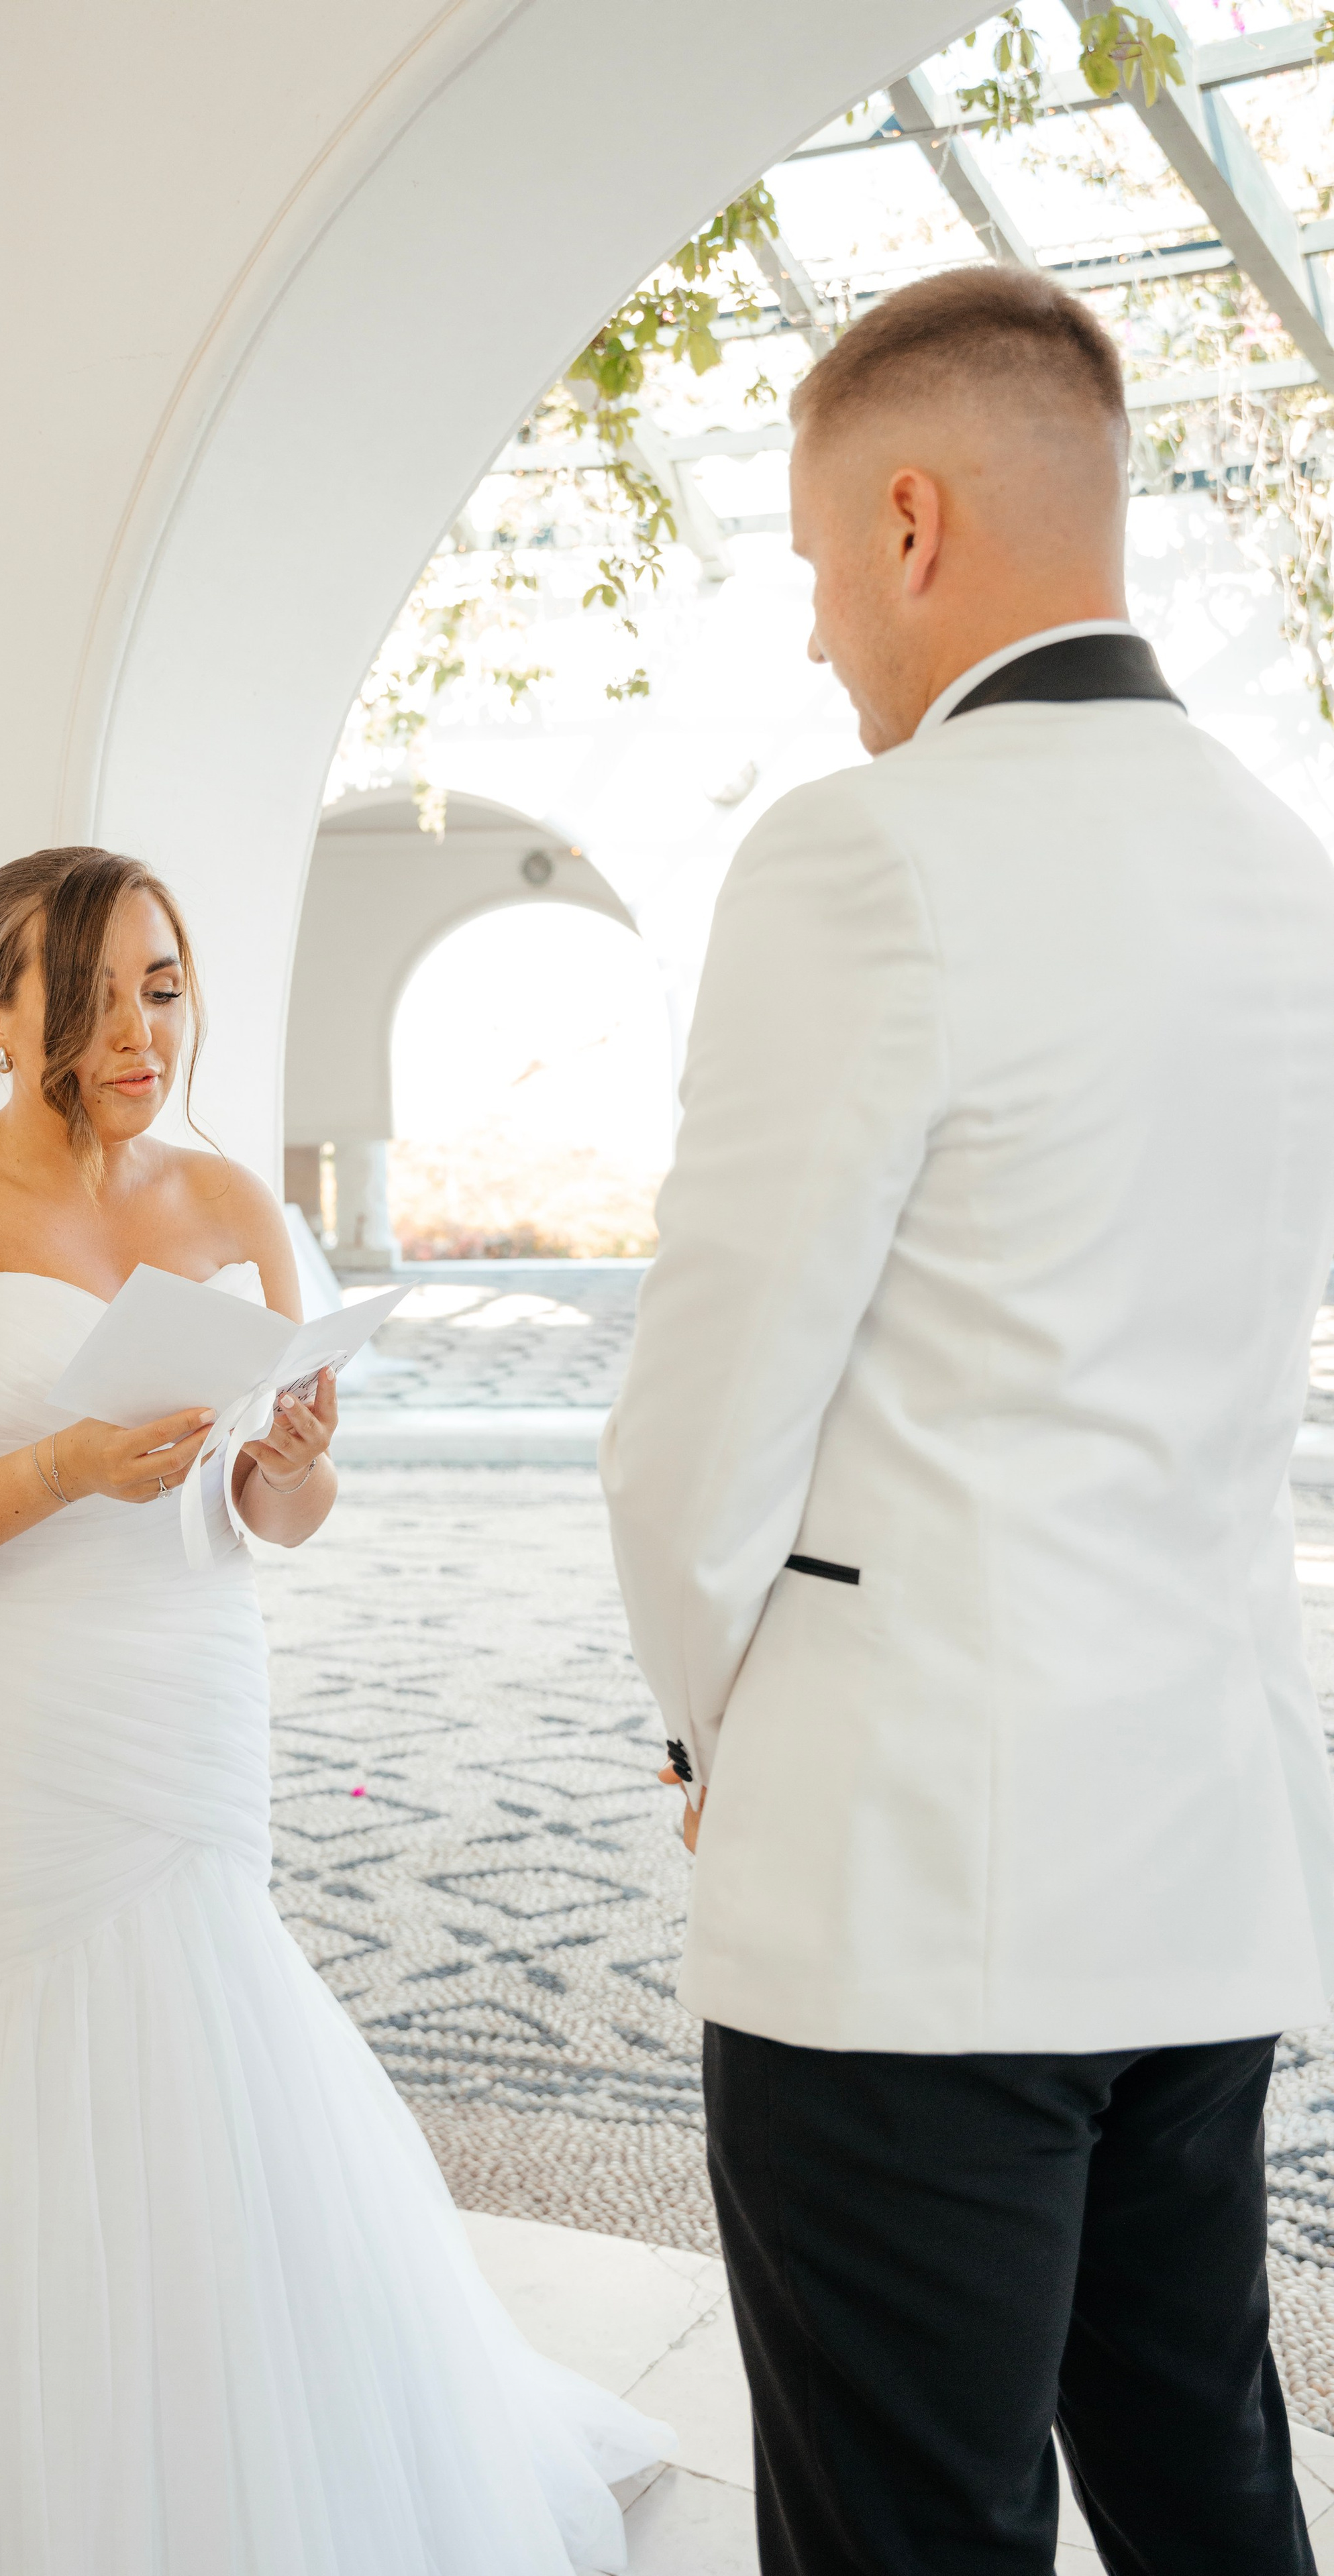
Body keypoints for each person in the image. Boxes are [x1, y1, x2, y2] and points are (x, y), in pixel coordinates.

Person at [0, 845, 670, 2572]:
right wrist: (59, 1466)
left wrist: (293, 1469)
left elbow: (274, 1520)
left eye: (162, 987)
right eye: (90, 994)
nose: (136, 1032)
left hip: (184, 1705)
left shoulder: (235, 1206)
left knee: (204, 2049)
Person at [601, 265, 1334, 2574]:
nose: (824, 640)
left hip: (911, 1883)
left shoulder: (869, 856)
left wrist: (726, 1728)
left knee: (912, 2528)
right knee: (1210, 2485)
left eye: (818, 575)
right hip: (1202, 1859)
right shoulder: (1285, 875)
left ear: (909, 523)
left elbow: (702, 1420)